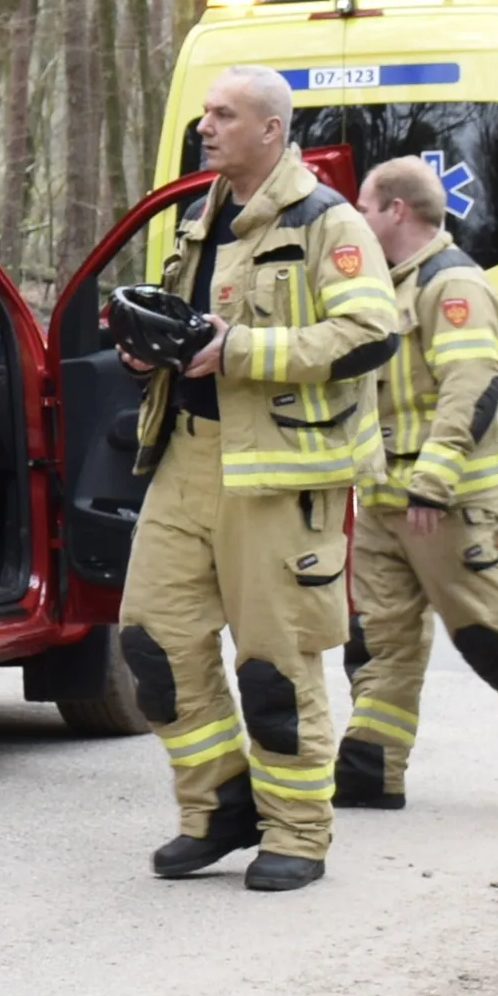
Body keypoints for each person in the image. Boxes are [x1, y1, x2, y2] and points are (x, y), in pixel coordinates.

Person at [117, 65, 401, 892]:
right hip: (188, 457)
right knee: (152, 639)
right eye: (205, 114)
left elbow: (371, 332)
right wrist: (151, 353)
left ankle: (298, 832)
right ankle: (218, 807)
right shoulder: (201, 220)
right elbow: (194, 328)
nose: (206, 127)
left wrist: (241, 351)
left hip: (282, 477)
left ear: (271, 129)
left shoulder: (327, 223)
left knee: (276, 665)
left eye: (225, 115)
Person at [336, 155, 498, 817]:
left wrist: (434, 478)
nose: (358, 220)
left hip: (447, 505)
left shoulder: (452, 285)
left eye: (365, 207)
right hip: (385, 501)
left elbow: (473, 385)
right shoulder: (385, 287)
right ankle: (373, 765)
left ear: (396, 209)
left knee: (490, 637)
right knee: (379, 643)